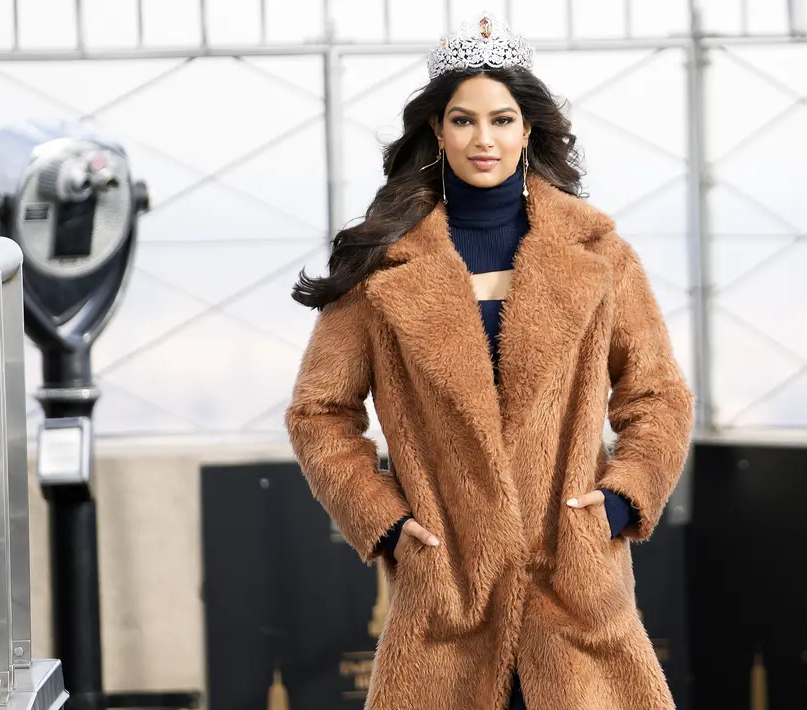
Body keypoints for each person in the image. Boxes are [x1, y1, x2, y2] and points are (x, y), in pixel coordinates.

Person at [285, 12, 694, 710]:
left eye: (501, 120)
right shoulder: (386, 261)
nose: (484, 139)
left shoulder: (598, 256)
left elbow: (657, 394)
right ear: (436, 131)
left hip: (574, 587)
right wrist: (382, 518)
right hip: (447, 593)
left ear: (527, 129)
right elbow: (318, 411)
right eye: (463, 120)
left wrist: (621, 501)